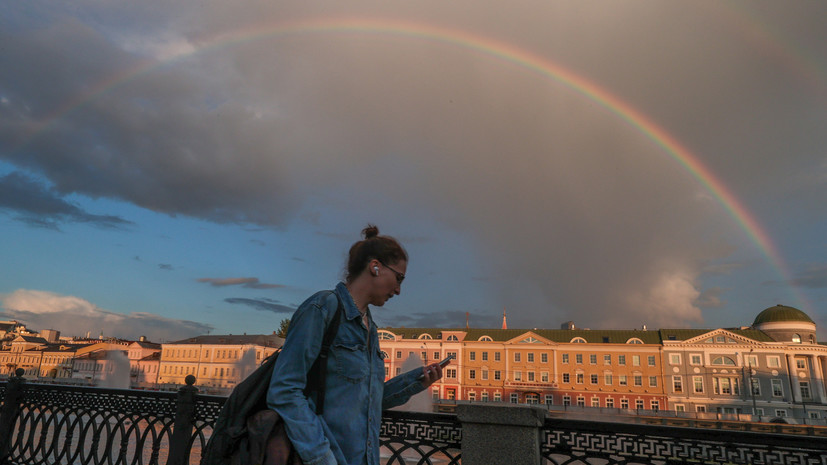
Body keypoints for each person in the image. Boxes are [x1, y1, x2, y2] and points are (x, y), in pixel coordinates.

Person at [267, 225, 444, 465]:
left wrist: (415, 382)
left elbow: (368, 401)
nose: (399, 290)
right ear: (375, 267)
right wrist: (321, 457)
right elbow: (284, 390)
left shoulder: (370, 327)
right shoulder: (321, 308)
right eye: (399, 278)